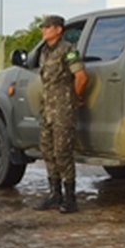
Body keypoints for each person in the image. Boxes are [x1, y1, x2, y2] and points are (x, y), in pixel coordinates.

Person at [34, 15, 87, 213]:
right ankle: (54, 194)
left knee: (62, 151)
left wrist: (74, 98)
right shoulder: (44, 52)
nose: (44, 30)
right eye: (43, 27)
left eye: (48, 27)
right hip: (47, 108)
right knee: (47, 150)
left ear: (58, 29)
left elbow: (81, 77)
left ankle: (70, 198)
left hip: (63, 108)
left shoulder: (67, 50)